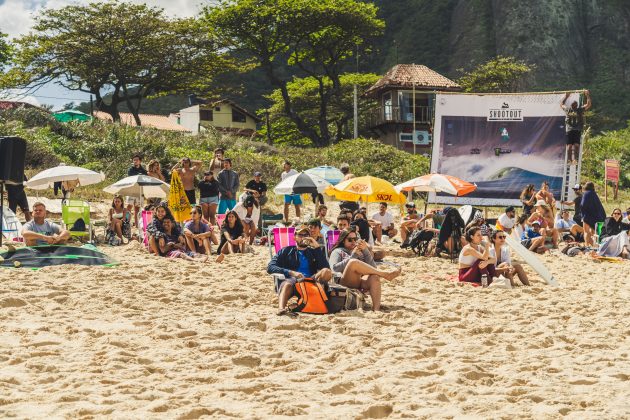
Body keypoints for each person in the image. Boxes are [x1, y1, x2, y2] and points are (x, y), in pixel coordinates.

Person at [329, 228, 401, 311]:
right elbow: (334, 268)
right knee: (353, 262)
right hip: (343, 282)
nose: (353, 242)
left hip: (359, 282)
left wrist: (365, 250)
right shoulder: (338, 251)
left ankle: (376, 309)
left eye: (355, 239)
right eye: (350, 239)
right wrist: (353, 256)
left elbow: (373, 268)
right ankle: (384, 274)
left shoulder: (359, 251)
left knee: (374, 277)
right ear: (343, 241)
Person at [267, 227, 332, 317]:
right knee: (287, 284)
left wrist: (317, 247)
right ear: (294, 237)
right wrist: (291, 272)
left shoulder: (313, 252)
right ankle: (281, 308)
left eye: (306, 235)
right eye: (300, 235)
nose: (304, 237)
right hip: (293, 281)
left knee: (327, 272)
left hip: (311, 281)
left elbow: (326, 268)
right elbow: (270, 267)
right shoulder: (286, 251)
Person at [561, 90, 592, 164]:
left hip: (577, 130)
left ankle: (575, 159)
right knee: (570, 146)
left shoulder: (579, 110)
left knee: (576, 145)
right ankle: (570, 160)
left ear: (577, 105)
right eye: (573, 103)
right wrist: (566, 97)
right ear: (571, 105)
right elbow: (561, 104)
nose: (575, 104)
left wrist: (587, 95)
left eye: (576, 103)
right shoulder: (568, 110)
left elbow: (588, 104)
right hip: (570, 130)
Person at [580, 181, 606, 247]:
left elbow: (583, 205)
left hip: (587, 216)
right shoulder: (595, 194)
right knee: (595, 232)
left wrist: (583, 215)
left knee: (586, 232)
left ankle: (586, 245)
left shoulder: (586, 193)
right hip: (598, 216)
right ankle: (596, 246)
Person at [127, 154, 148, 227]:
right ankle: (127, 222)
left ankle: (136, 224)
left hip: (140, 190)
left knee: (137, 208)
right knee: (129, 207)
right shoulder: (130, 169)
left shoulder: (143, 170)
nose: (135, 161)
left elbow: (145, 179)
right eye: (134, 160)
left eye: (137, 160)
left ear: (140, 161)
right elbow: (131, 177)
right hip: (131, 190)